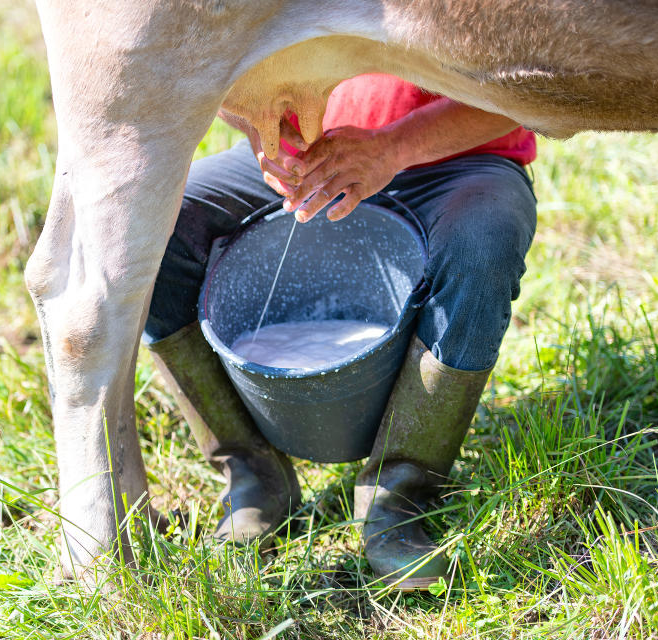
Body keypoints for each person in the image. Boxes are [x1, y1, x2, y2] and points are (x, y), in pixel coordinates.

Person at [143, 74, 537, 590]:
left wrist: (394, 145)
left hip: (458, 158)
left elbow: (536, 84)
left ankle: (398, 496)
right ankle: (254, 474)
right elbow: (210, 51)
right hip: (309, 158)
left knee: (483, 249)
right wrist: (258, 129)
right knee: (151, 230)